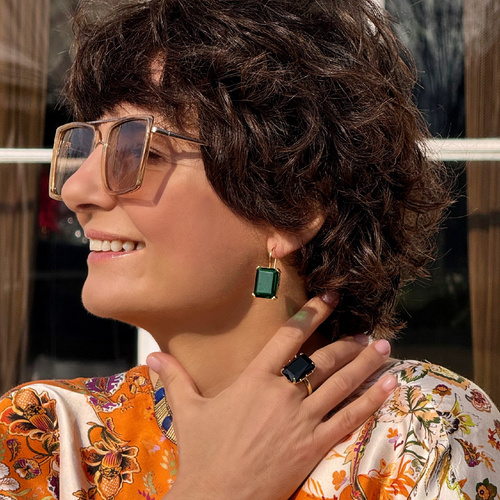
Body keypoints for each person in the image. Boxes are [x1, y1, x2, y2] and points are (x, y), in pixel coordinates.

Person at [1, 0, 499, 499]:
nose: (76, 190)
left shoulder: (420, 432)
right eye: (86, 147)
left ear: (293, 207)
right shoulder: (43, 437)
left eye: (139, 150)